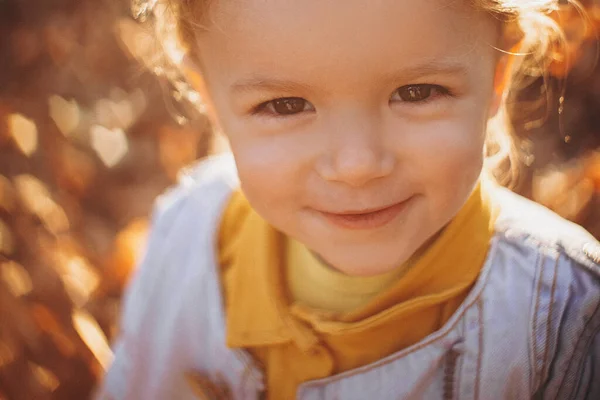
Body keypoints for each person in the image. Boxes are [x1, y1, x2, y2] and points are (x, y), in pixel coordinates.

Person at [98, 0, 600, 398]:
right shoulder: (185, 235)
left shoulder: (565, 325)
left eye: (417, 92)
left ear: (498, 75)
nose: (357, 165)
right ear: (209, 96)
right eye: (286, 104)